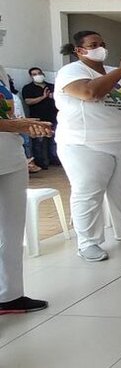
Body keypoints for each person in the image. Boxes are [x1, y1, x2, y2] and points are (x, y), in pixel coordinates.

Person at [55, 31, 121, 262]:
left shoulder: (112, 71)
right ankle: (88, 242)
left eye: (102, 43)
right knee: (88, 192)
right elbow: (90, 92)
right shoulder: (71, 71)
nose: (100, 47)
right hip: (86, 144)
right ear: (79, 50)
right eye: (93, 45)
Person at [0, 65, 51, 314]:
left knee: (10, 231)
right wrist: (13, 125)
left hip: (9, 156)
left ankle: (9, 295)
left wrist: (21, 126)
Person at [22, 67, 59, 169]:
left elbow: (61, 98)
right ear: (31, 76)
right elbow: (28, 101)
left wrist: (53, 96)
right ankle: (41, 163)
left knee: (54, 141)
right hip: (38, 119)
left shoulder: (52, 86)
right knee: (39, 141)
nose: (37, 75)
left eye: (39, 73)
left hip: (54, 117)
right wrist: (43, 97)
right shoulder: (28, 88)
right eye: (34, 74)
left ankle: (55, 160)